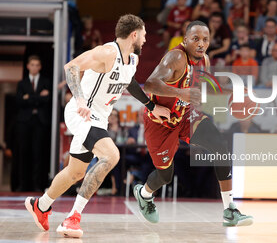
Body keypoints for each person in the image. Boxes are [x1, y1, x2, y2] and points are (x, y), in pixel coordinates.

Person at [24, 14, 170, 238]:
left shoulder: (132, 59)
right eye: (143, 35)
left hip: (98, 119)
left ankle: (41, 205)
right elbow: (71, 67)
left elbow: (128, 81)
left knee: (75, 172)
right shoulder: (106, 53)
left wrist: (151, 106)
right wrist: (80, 99)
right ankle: (73, 218)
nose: (145, 39)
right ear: (134, 34)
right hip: (81, 113)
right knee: (111, 156)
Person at [133, 20, 253, 227]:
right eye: (195, 39)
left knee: (220, 147)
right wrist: (181, 93)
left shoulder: (204, 60)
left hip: (185, 115)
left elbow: (195, 87)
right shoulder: (176, 57)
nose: (201, 44)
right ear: (186, 39)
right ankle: (144, 194)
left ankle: (230, 210)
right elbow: (151, 83)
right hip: (161, 121)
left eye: (205, 40)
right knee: (165, 175)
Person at [16, 55, 51, 191]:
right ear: (28, 66)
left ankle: (37, 185)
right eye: (32, 64)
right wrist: (37, 97)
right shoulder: (22, 83)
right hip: (24, 122)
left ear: (40, 67)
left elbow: (47, 100)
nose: (35, 67)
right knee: (23, 153)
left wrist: (28, 97)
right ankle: (22, 185)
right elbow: (19, 101)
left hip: (40, 122)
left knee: (38, 154)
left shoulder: (46, 81)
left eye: (37, 65)